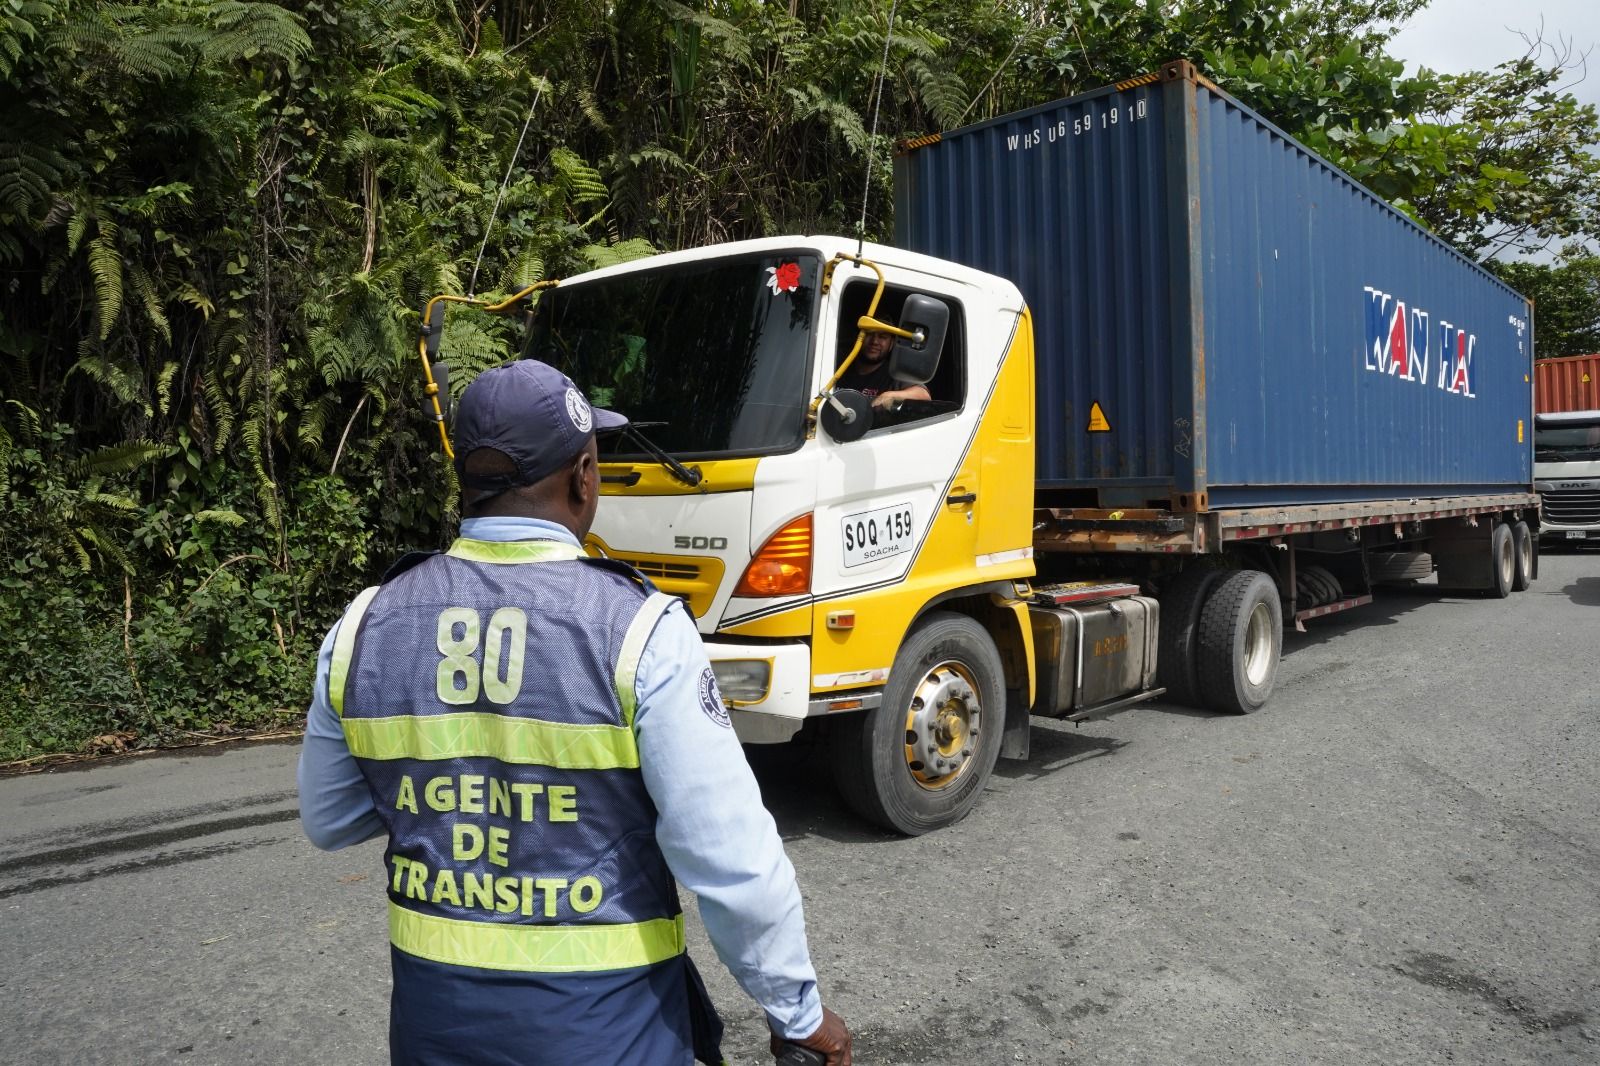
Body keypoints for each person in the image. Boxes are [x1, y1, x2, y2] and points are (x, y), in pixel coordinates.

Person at [298, 359, 852, 1066]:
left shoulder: (365, 624)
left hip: (435, 1033)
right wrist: (796, 1012)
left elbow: (330, 818)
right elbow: (731, 859)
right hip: (611, 1035)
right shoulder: (640, 629)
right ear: (583, 476)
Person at [836, 330, 930, 411]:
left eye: (882, 337)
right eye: (869, 334)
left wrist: (891, 395)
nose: (874, 341)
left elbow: (923, 395)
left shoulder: (894, 373)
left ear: (891, 344)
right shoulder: (837, 365)